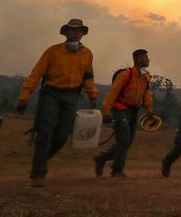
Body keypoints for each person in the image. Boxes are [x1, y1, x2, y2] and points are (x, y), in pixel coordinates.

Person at [16, 19, 98, 188]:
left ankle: (40, 160)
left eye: (79, 31)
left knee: (62, 135)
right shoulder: (52, 52)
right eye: (72, 30)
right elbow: (35, 74)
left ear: (83, 33)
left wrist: (93, 98)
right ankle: (38, 174)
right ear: (66, 33)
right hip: (51, 94)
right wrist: (24, 96)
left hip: (72, 96)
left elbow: (88, 77)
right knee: (45, 132)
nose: (76, 33)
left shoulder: (87, 54)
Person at [94, 49, 154, 178]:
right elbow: (112, 93)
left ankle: (102, 158)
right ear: (138, 59)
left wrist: (149, 109)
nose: (148, 60)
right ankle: (117, 170)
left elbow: (147, 93)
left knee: (127, 142)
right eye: (146, 57)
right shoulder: (126, 75)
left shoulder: (146, 76)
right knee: (123, 141)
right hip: (120, 110)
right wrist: (106, 111)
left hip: (134, 111)